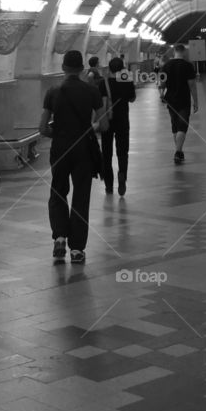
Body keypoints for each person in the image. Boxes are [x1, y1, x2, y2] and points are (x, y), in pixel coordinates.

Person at [39, 49, 109, 263]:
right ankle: (77, 249)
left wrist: (58, 133)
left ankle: (59, 236)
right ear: (81, 68)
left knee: (58, 192)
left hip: (60, 148)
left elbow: (42, 128)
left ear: (63, 67)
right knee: (81, 196)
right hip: (83, 150)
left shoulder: (53, 91)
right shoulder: (92, 91)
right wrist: (90, 128)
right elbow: (104, 124)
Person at [103, 56, 136, 196]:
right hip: (122, 120)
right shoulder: (126, 80)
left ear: (109, 68)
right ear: (122, 68)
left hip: (107, 122)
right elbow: (132, 99)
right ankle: (122, 175)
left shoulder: (103, 83)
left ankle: (109, 185)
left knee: (106, 153)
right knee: (123, 152)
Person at [165, 44, 198, 164]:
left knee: (175, 126)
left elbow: (161, 83)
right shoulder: (188, 66)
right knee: (182, 126)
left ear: (174, 51)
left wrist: (161, 93)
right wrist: (196, 101)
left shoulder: (166, 65)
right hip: (184, 100)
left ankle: (179, 151)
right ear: (183, 52)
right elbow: (192, 85)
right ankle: (178, 152)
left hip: (171, 100)